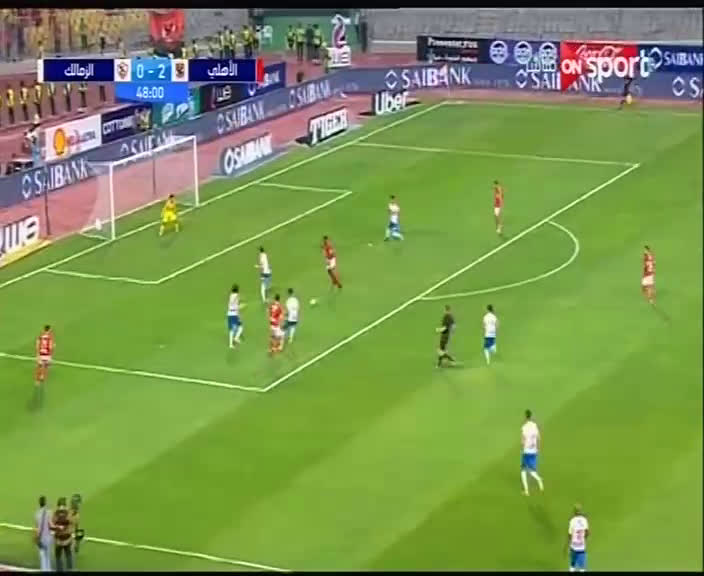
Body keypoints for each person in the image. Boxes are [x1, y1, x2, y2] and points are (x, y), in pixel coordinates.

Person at [520, 409, 544, 495]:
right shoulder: (535, 426)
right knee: (532, 470)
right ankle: (539, 480)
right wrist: (538, 449)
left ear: (525, 416)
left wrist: (522, 449)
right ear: (531, 416)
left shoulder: (524, 427)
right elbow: (539, 438)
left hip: (526, 451)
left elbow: (523, 440)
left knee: (523, 470)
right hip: (534, 450)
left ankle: (527, 491)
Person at [51, 496, 73, 572]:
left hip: (58, 539)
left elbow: (53, 523)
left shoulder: (55, 513)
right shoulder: (68, 512)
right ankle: (70, 569)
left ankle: (59, 570)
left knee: (58, 556)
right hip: (67, 538)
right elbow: (70, 522)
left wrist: (58, 527)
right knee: (68, 555)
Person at [567, 504, 589, 572]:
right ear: (581, 511)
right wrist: (584, 539)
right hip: (581, 547)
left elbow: (570, 535)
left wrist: (568, 546)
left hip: (573, 546)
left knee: (572, 564)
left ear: (574, 512)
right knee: (582, 567)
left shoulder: (572, 520)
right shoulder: (584, 520)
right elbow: (587, 532)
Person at [34, 495, 52, 572]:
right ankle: (48, 570)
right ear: (45, 503)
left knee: (42, 557)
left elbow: (37, 528)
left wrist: (36, 538)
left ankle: (44, 570)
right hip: (48, 537)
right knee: (48, 556)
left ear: (39, 503)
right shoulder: (49, 512)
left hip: (41, 538)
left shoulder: (37, 514)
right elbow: (50, 525)